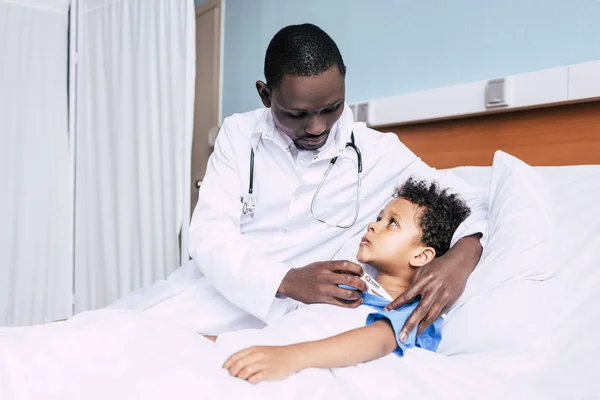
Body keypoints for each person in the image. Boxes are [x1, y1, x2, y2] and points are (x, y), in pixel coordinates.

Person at [188, 22, 487, 338]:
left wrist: (463, 255)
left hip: (303, 320)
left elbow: (472, 199)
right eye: (297, 114)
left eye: (331, 108)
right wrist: (286, 280)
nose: (317, 127)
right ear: (265, 94)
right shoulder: (237, 134)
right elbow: (210, 231)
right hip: (219, 295)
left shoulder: (378, 152)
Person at [221, 178, 471, 384]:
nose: (373, 226)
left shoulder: (416, 309)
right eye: (379, 217)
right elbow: (292, 328)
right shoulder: (345, 292)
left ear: (421, 255)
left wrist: (290, 357)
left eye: (392, 223)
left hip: (297, 367)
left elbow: (379, 340)